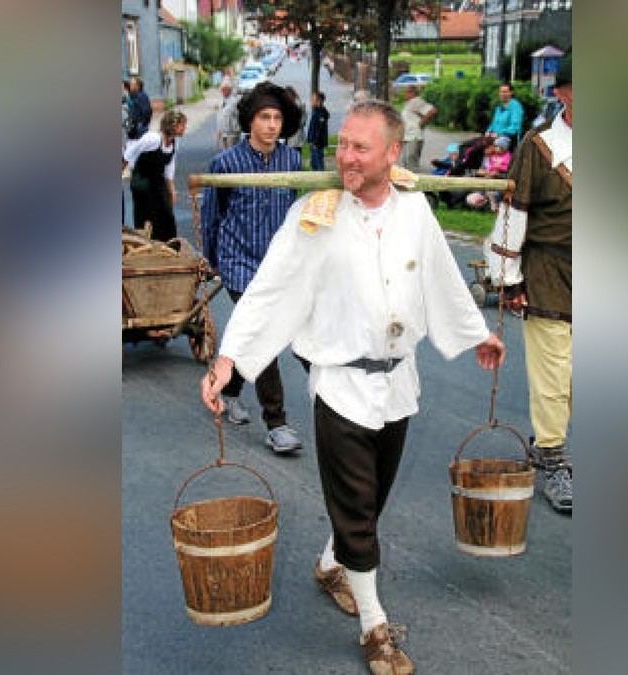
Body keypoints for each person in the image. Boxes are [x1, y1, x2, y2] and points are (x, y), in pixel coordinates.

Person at [200, 100, 506, 675]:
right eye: (342, 144)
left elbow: (440, 273)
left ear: (394, 153)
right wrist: (230, 360)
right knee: (361, 514)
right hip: (340, 385)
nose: (345, 157)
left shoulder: (414, 211)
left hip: (399, 382)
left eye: (360, 148)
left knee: (368, 503)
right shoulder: (315, 216)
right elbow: (271, 290)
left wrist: (475, 336)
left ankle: (330, 563)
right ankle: (375, 628)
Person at [200, 82, 305, 453]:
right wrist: (213, 261)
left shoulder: (292, 162)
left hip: (277, 264)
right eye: (264, 117)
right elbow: (212, 217)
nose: (271, 125)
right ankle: (277, 423)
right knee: (264, 335)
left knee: (264, 333)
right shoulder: (226, 163)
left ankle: (229, 390)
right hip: (238, 260)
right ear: (250, 121)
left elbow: (297, 213)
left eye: (277, 118)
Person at [487, 56, 572, 512]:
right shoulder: (538, 148)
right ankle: (554, 457)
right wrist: (508, 280)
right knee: (554, 374)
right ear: (562, 93)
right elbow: (512, 214)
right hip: (549, 271)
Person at [122, 110, 187, 240]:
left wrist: (172, 191)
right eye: (182, 125)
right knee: (147, 216)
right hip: (142, 181)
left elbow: (169, 168)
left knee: (166, 215)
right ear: (173, 125)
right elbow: (129, 153)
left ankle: (167, 246)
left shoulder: (174, 143)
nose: (184, 128)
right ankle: (146, 244)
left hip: (157, 181)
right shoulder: (152, 138)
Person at [398, 85, 437, 172]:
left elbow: (432, 110)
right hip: (407, 136)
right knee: (405, 161)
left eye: (406, 92)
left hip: (414, 136)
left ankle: (414, 182)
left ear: (412, 93)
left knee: (411, 161)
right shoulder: (409, 102)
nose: (404, 94)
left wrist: (422, 122)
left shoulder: (416, 101)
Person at [485, 82, 524, 149]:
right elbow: (493, 123)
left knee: (495, 144)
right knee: (475, 143)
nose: (503, 94)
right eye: (501, 92)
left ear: (511, 93)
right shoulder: (499, 107)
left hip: (508, 138)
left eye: (505, 92)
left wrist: (499, 134)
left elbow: (515, 128)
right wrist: (488, 131)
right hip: (494, 136)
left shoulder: (516, 106)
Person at [306, 90, 331, 171]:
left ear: (319, 101)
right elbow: (312, 127)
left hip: (317, 143)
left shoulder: (321, 113)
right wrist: (310, 139)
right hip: (313, 142)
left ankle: (321, 178)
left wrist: (315, 142)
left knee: (318, 163)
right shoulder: (315, 111)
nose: (311, 101)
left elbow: (319, 130)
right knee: (313, 163)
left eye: (313, 100)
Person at [214, 81, 242, 151]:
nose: (223, 91)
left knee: (232, 153)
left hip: (232, 133)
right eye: (222, 89)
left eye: (225, 89)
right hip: (223, 133)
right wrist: (218, 131)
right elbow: (220, 118)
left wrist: (237, 129)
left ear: (230, 90)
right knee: (225, 154)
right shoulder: (222, 102)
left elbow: (237, 115)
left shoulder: (234, 101)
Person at [283, 86, 308, 162]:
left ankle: (295, 170)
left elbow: (301, 121)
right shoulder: (296, 105)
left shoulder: (297, 106)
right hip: (292, 136)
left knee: (294, 155)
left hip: (295, 136)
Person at [126, 76, 153, 140]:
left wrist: (142, 124)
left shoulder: (142, 96)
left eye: (132, 84)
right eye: (130, 84)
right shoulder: (131, 95)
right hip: (132, 126)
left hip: (139, 127)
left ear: (137, 86)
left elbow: (147, 112)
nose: (130, 85)